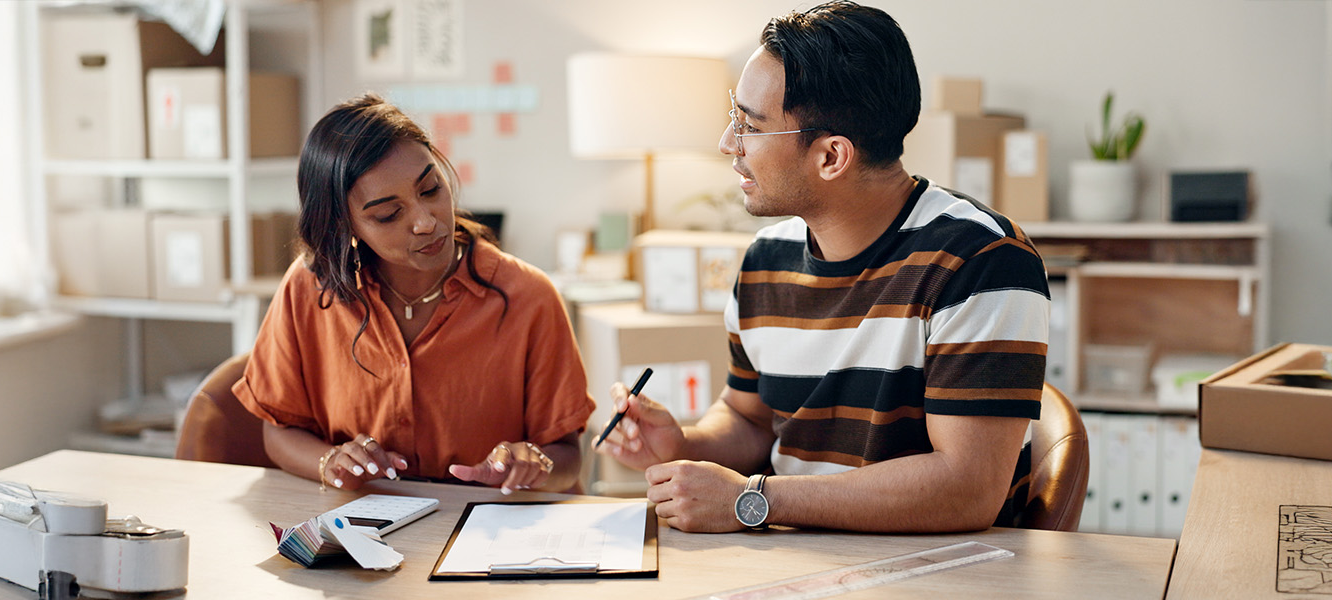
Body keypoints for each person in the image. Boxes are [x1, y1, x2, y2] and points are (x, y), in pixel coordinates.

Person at [599, 1, 1050, 533]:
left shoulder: (982, 262)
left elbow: (966, 489)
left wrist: (754, 499)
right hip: (795, 560)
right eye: (732, 117)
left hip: (943, 572)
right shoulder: (767, 261)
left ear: (832, 156)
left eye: (749, 126)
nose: (727, 145)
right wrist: (683, 443)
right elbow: (750, 419)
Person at [236, 94, 593, 495]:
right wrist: (331, 462)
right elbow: (279, 432)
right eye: (388, 215)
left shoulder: (528, 296)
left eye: (430, 189)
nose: (426, 222)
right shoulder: (308, 290)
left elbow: (568, 457)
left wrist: (532, 466)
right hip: (363, 532)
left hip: (491, 529)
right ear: (345, 226)